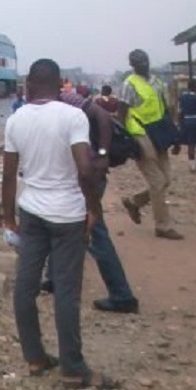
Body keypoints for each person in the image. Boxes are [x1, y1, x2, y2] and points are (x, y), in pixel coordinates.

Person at [2, 58, 117, 390]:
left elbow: (10, 174)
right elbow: (84, 169)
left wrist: (9, 218)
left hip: (32, 213)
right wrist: (92, 208)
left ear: (30, 85)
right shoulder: (73, 116)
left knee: (26, 285)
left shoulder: (16, 119)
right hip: (68, 215)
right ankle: (73, 368)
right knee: (66, 291)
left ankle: (35, 357)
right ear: (60, 84)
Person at [59, 90, 139, 314]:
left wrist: (103, 153)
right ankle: (55, 279)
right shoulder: (44, 106)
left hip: (90, 174)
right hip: (76, 177)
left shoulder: (69, 100)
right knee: (66, 226)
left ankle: (122, 295)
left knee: (95, 232)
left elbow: (103, 117)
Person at [119, 49, 184, 240]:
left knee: (166, 179)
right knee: (157, 181)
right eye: (138, 62)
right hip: (139, 133)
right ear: (132, 65)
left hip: (159, 132)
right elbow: (121, 114)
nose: (143, 64)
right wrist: (125, 140)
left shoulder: (156, 82)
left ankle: (133, 202)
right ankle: (162, 226)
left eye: (144, 60)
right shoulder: (129, 84)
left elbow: (166, 108)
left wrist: (175, 135)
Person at [178, 79, 196, 173]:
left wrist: (180, 124)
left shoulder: (182, 97)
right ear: (193, 87)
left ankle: (192, 165)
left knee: (191, 144)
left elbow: (180, 112)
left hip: (187, 121)